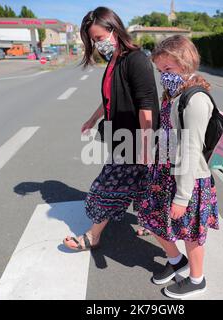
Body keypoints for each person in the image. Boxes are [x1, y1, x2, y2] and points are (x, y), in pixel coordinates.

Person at [63, 7, 159, 251]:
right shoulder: (114, 62)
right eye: (93, 41)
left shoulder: (136, 60)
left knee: (107, 187)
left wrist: (146, 145)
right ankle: (149, 221)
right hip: (123, 137)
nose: (97, 44)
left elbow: (146, 106)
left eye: (98, 38)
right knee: (142, 182)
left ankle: (92, 237)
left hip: (136, 139)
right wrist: (93, 118)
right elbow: (110, 98)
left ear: (114, 29)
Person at [138, 35, 219, 299]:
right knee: (153, 219)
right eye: (161, 71)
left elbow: (191, 150)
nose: (163, 76)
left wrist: (182, 198)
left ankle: (197, 279)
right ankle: (176, 262)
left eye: (168, 70)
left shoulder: (195, 100)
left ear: (185, 64)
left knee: (190, 232)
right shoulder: (173, 94)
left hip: (188, 179)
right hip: (164, 174)